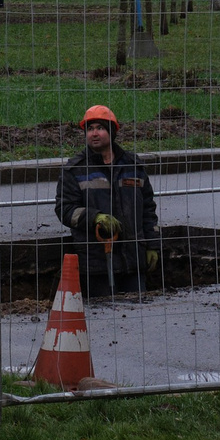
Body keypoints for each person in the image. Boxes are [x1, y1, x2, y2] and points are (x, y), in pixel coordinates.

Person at [55, 104, 159, 296]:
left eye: (100, 128)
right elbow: (65, 209)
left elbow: (148, 209)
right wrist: (95, 217)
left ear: (112, 132)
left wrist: (152, 246)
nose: (94, 133)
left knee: (137, 314)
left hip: (133, 259)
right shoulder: (75, 170)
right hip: (96, 263)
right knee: (102, 315)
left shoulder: (132, 165)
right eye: (90, 128)